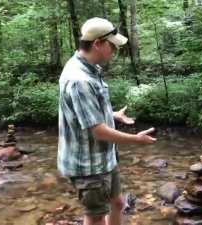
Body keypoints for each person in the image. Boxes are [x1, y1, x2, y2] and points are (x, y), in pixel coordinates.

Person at [58, 17, 157, 225]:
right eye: (112, 45)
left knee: (118, 203)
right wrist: (136, 140)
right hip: (88, 166)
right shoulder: (79, 80)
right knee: (95, 217)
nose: (115, 49)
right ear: (97, 43)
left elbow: (83, 113)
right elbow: (98, 131)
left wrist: (112, 115)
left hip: (104, 159)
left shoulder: (87, 67)